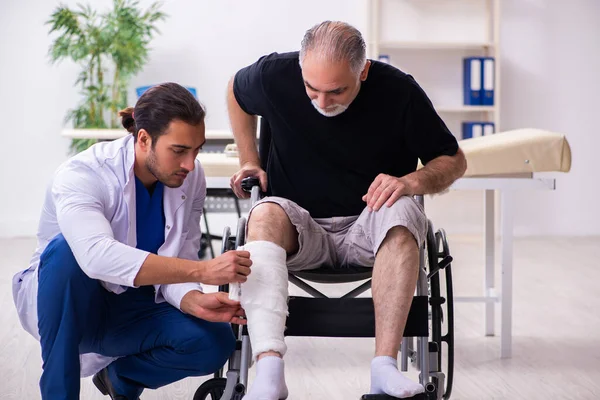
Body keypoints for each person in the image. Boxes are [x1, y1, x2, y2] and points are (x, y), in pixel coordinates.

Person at [227, 21, 467, 399]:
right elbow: (236, 93)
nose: (323, 103)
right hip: (298, 226)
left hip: (370, 225)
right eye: (312, 89)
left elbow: (452, 160)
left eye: (337, 90)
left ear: (363, 69)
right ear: (301, 68)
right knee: (263, 214)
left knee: (402, 210)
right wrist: (249, 159)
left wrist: (410, 182)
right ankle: (269, 372)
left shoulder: (399, 90)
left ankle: (383, 368)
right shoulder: (275, 75)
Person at [12, 82, 253, 400]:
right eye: (179, 151)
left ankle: (121, 379)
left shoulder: (189, 178)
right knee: (66, 251)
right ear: (143, 139)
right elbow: (95, 257)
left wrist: (190, 298)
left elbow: (181, 253)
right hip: (72, 311)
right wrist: (202, 272)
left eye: (197, 150)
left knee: (214, 340)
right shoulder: (83, 174)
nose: (190, 164)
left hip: (131, 311)